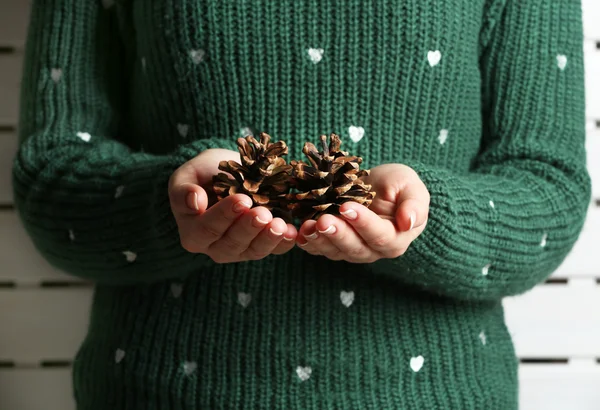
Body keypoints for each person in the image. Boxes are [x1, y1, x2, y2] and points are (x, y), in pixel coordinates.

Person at [12, 0, 590, 408]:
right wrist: (170, 203)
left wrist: (430, 218)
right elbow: (51, 174)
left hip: (438, 394)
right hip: (158, 391)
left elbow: (549, 188)